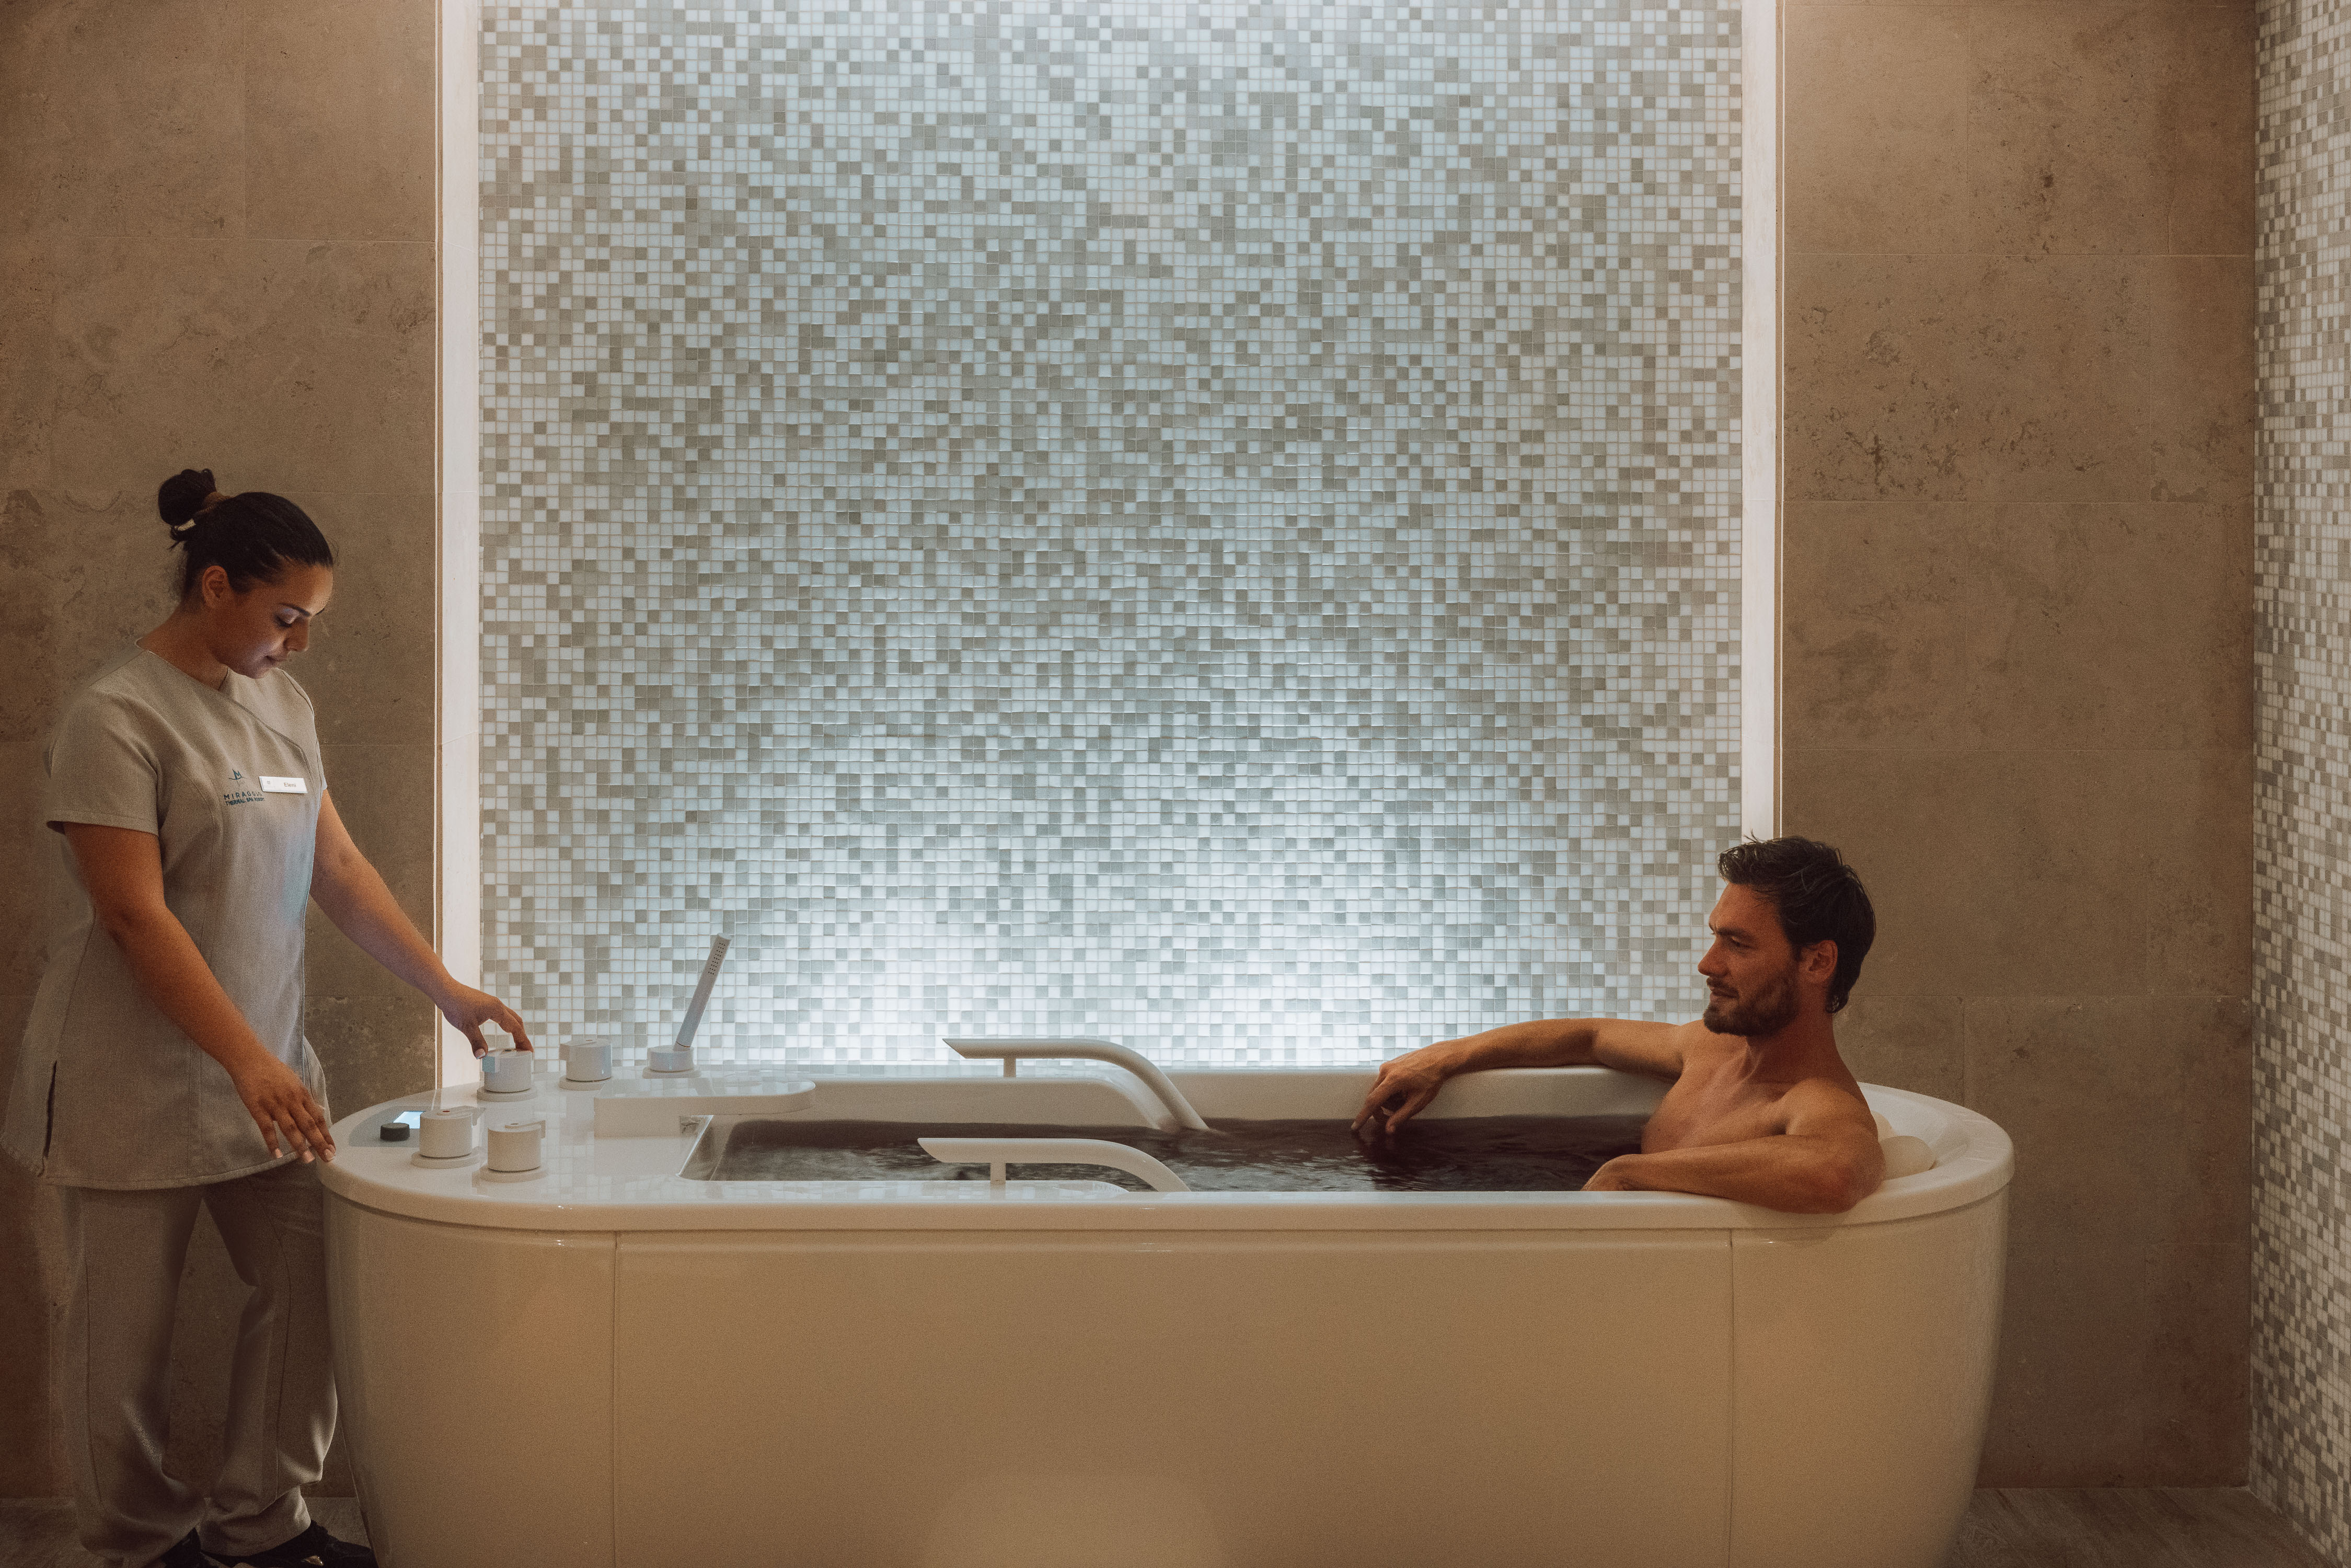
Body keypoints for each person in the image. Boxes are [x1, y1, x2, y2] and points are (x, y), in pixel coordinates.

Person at [2, 471, 534, 1568]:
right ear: (214, 586)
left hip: (269, 1075)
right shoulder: (117, 716)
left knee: (310, 1290)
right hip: (128, 1085)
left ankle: (259, 1525)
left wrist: (450, 991)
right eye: (286, 617)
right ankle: (134, 1547)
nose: (298, 646)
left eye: (311, 623)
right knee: (122, 1355)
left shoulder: (283, 707)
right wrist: (245, 1060)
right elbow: (131, 916)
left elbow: (334, 869)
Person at [1355, 836, 1887, 1213]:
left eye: (1737, 945)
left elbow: (1835, 1173)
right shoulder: (1707, 1049)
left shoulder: (1815, 1099)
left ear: (1816, 962)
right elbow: (1591, 1037)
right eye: (1715, 937)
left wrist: (1627, 1172)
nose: (1707, 963)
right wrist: (1447, 1056)